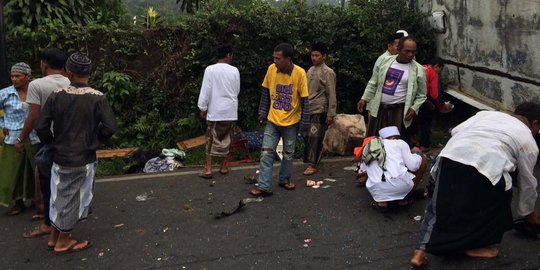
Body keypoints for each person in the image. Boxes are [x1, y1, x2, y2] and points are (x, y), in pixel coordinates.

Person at [410, 102, 540, 267]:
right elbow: (527, 181)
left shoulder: (486, 114)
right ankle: (479, 245)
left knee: (437, 206)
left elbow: (456, 131)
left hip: (452, 156)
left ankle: (419, 254)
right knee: (498, 200)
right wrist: (528, 212)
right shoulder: (527, 138)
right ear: (535, 123)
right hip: (487, 165)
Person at [36, 52, 117, 254]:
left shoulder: (56, 96)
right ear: (88, 72)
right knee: (75, 198)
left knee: (59, 195)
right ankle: (64, 241)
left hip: (59, 155)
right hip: (83, 156)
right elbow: (110, 127)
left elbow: (41, 126)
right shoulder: (98, 98)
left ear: (68, 72)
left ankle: (54, 238)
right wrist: (94, 141)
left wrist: (51, 142)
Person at [19, 48, 70, 239]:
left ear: (44, 64)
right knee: (65, 182)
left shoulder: (37, 84)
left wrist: (20, 139)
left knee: (47, 181)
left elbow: (33, 116)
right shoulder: (71, 81)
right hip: (68, 140)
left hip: (47, 140)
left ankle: (49, 223)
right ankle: (62, 224)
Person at [249, 43, 309, 197]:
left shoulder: (300, 73)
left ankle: (284, 179)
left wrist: (304, 124)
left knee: (288, 154)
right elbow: (265, 92)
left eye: (278, 58)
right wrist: (262, 113)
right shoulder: (271, 70)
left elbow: (305, 101)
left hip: (292, 123)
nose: (275, 61)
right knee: (266, 153)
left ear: (288, 59)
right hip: (272, 121)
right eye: (274, 58)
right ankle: (264, 186)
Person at [357, 36, 427, 138]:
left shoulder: (419, 70)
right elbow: (373, 82)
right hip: (380, 110)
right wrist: (364, 98)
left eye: (413, 52)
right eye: (407, 51)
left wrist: (414, 108)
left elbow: (422, 95)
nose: (410, 54)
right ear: (398, 49)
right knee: (375, 143)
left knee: (396, 144)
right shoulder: (384, 62)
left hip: (399, 112)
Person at [197, 44, 241, 179]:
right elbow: (237, 91)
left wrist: (202, 108)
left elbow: (206, 90)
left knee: (211, 139)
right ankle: (223, 166)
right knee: (228, 138)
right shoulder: (234, 71)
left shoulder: (210, 70)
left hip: (215, 110)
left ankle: (208, 169)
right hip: (230, 110)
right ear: (228, 55)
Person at [0, 63, 39, 215]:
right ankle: (18, 202)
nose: (14, 79)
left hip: (34, 136)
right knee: (13, 171)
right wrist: (3, 123)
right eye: (12, 76)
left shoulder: (35, 92)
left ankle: (37, 200)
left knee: (34, 170)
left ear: (28, 77)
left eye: (18, 76)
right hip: (13, 138)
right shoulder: (5, 93)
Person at [359, 126, 428, 211]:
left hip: (376, 189)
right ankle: (404, 199)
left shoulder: (370, 145)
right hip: (400, 186)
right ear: (394, 138)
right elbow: (413, 167)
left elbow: (363, 170)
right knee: (423, 160)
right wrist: (418, 155)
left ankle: (382, 202)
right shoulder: (400, 143)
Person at [302, 42, 336, 176]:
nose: (314, 58)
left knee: (314, 136)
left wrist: (331, 114)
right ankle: (318, 155)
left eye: (317, 55)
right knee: (305, 135)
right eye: (312, 55)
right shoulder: (310, 70)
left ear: (324, 56)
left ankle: (312, 164)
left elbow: (332, 94)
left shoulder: (328, 72)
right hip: (307, 108)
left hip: (320, 108)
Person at [416, 57, 454, 152]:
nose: (440, 73)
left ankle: (413, 143)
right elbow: (435, 95)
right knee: (426, 123)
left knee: (415, 123)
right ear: (437, 66)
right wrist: (443, 106)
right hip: (423, 100)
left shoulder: (421, 67)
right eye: (440, 70)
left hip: (412, 100)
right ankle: (424, 145)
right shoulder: (433, 73)